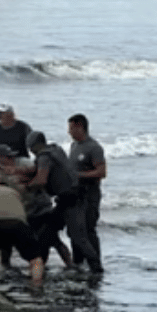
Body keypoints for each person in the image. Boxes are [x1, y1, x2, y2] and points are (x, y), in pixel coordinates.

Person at [28, 130, 101, 274]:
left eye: (31, 149)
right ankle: (45, 266)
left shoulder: (43, 157)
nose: (31, 152)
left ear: (34, 146)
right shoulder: (56, 150)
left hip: (72, 202)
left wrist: (26, 187)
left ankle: (97, 269)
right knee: (47, 231)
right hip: (68, 200)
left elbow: (41, 180)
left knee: (78, 237)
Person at [67, 113, 106, 272]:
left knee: (89, 229)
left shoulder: (94, 148)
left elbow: (101, 172)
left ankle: (95, 265)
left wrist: (78, 175)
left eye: (71, 128)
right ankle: (78, 262)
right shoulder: (74, 146)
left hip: (90, 193)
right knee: (75, 229)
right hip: (76, 194)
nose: (69, 132)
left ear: (80, 126)